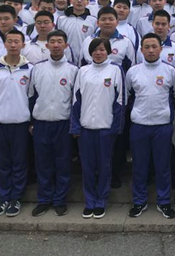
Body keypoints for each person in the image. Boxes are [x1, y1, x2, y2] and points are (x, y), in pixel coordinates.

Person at [71, 38, 125, 219]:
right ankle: (89, 202)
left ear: (108, 51)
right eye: (95, 50)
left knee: (104, 167)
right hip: (86, 128)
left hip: (105, 128)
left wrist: (115, 128)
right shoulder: (83, 71)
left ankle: (101, 201)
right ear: (90, 52)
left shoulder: (116, 70)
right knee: (87, 167)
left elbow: (120, 101)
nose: (98, 53)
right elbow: (76, 100)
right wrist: (76, 126)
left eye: (102, 49)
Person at [126, 33, 175, 219]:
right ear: (141, 50)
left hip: (162, 126)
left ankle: (164, 201)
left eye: (154, 46)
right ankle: (139, 201)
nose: (150, 50)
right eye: (146, 47)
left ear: (161, 49)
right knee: (139, 166)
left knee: (163, 166)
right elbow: (128, 97)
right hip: (139, 125)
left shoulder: (170, 71)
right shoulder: (133, 72)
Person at [28, 30, 78, 217]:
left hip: (63, 124)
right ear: (47, 45)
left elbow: (76, 100)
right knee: (43, 163)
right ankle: (44, 199)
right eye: (53, 42)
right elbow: (31, 96)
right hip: (41, 124)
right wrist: (32, 121)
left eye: (60, 42)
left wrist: (74, 124)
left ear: (66, 45)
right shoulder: (37, 68)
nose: (56, 45)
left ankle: (59, 200)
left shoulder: (73, 70)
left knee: (63, 163)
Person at [0, 30, 34, 218]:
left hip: (21, 122)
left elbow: (32, 96)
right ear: (5, 44)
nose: (13, 45)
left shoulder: (30, 69)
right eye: (10, 41)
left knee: (19, 162)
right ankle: (4, 198)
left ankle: (16, 198)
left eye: (17, 41)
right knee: (2, 163)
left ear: (23, 44)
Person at [80, 6, 137, 72]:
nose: (107, 22)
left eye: (111, 19)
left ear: (117, 22)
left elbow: (131, 70)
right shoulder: (88, 41)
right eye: (103, 19)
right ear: (97, 23)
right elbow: (82, 65)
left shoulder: (126, 43)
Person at [55, 0, 97, 66]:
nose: (79, 1)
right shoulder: (61, 20)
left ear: (87, 2)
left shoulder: (93, 21)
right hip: (65, 61)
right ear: (71, 1)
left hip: (86, 62)